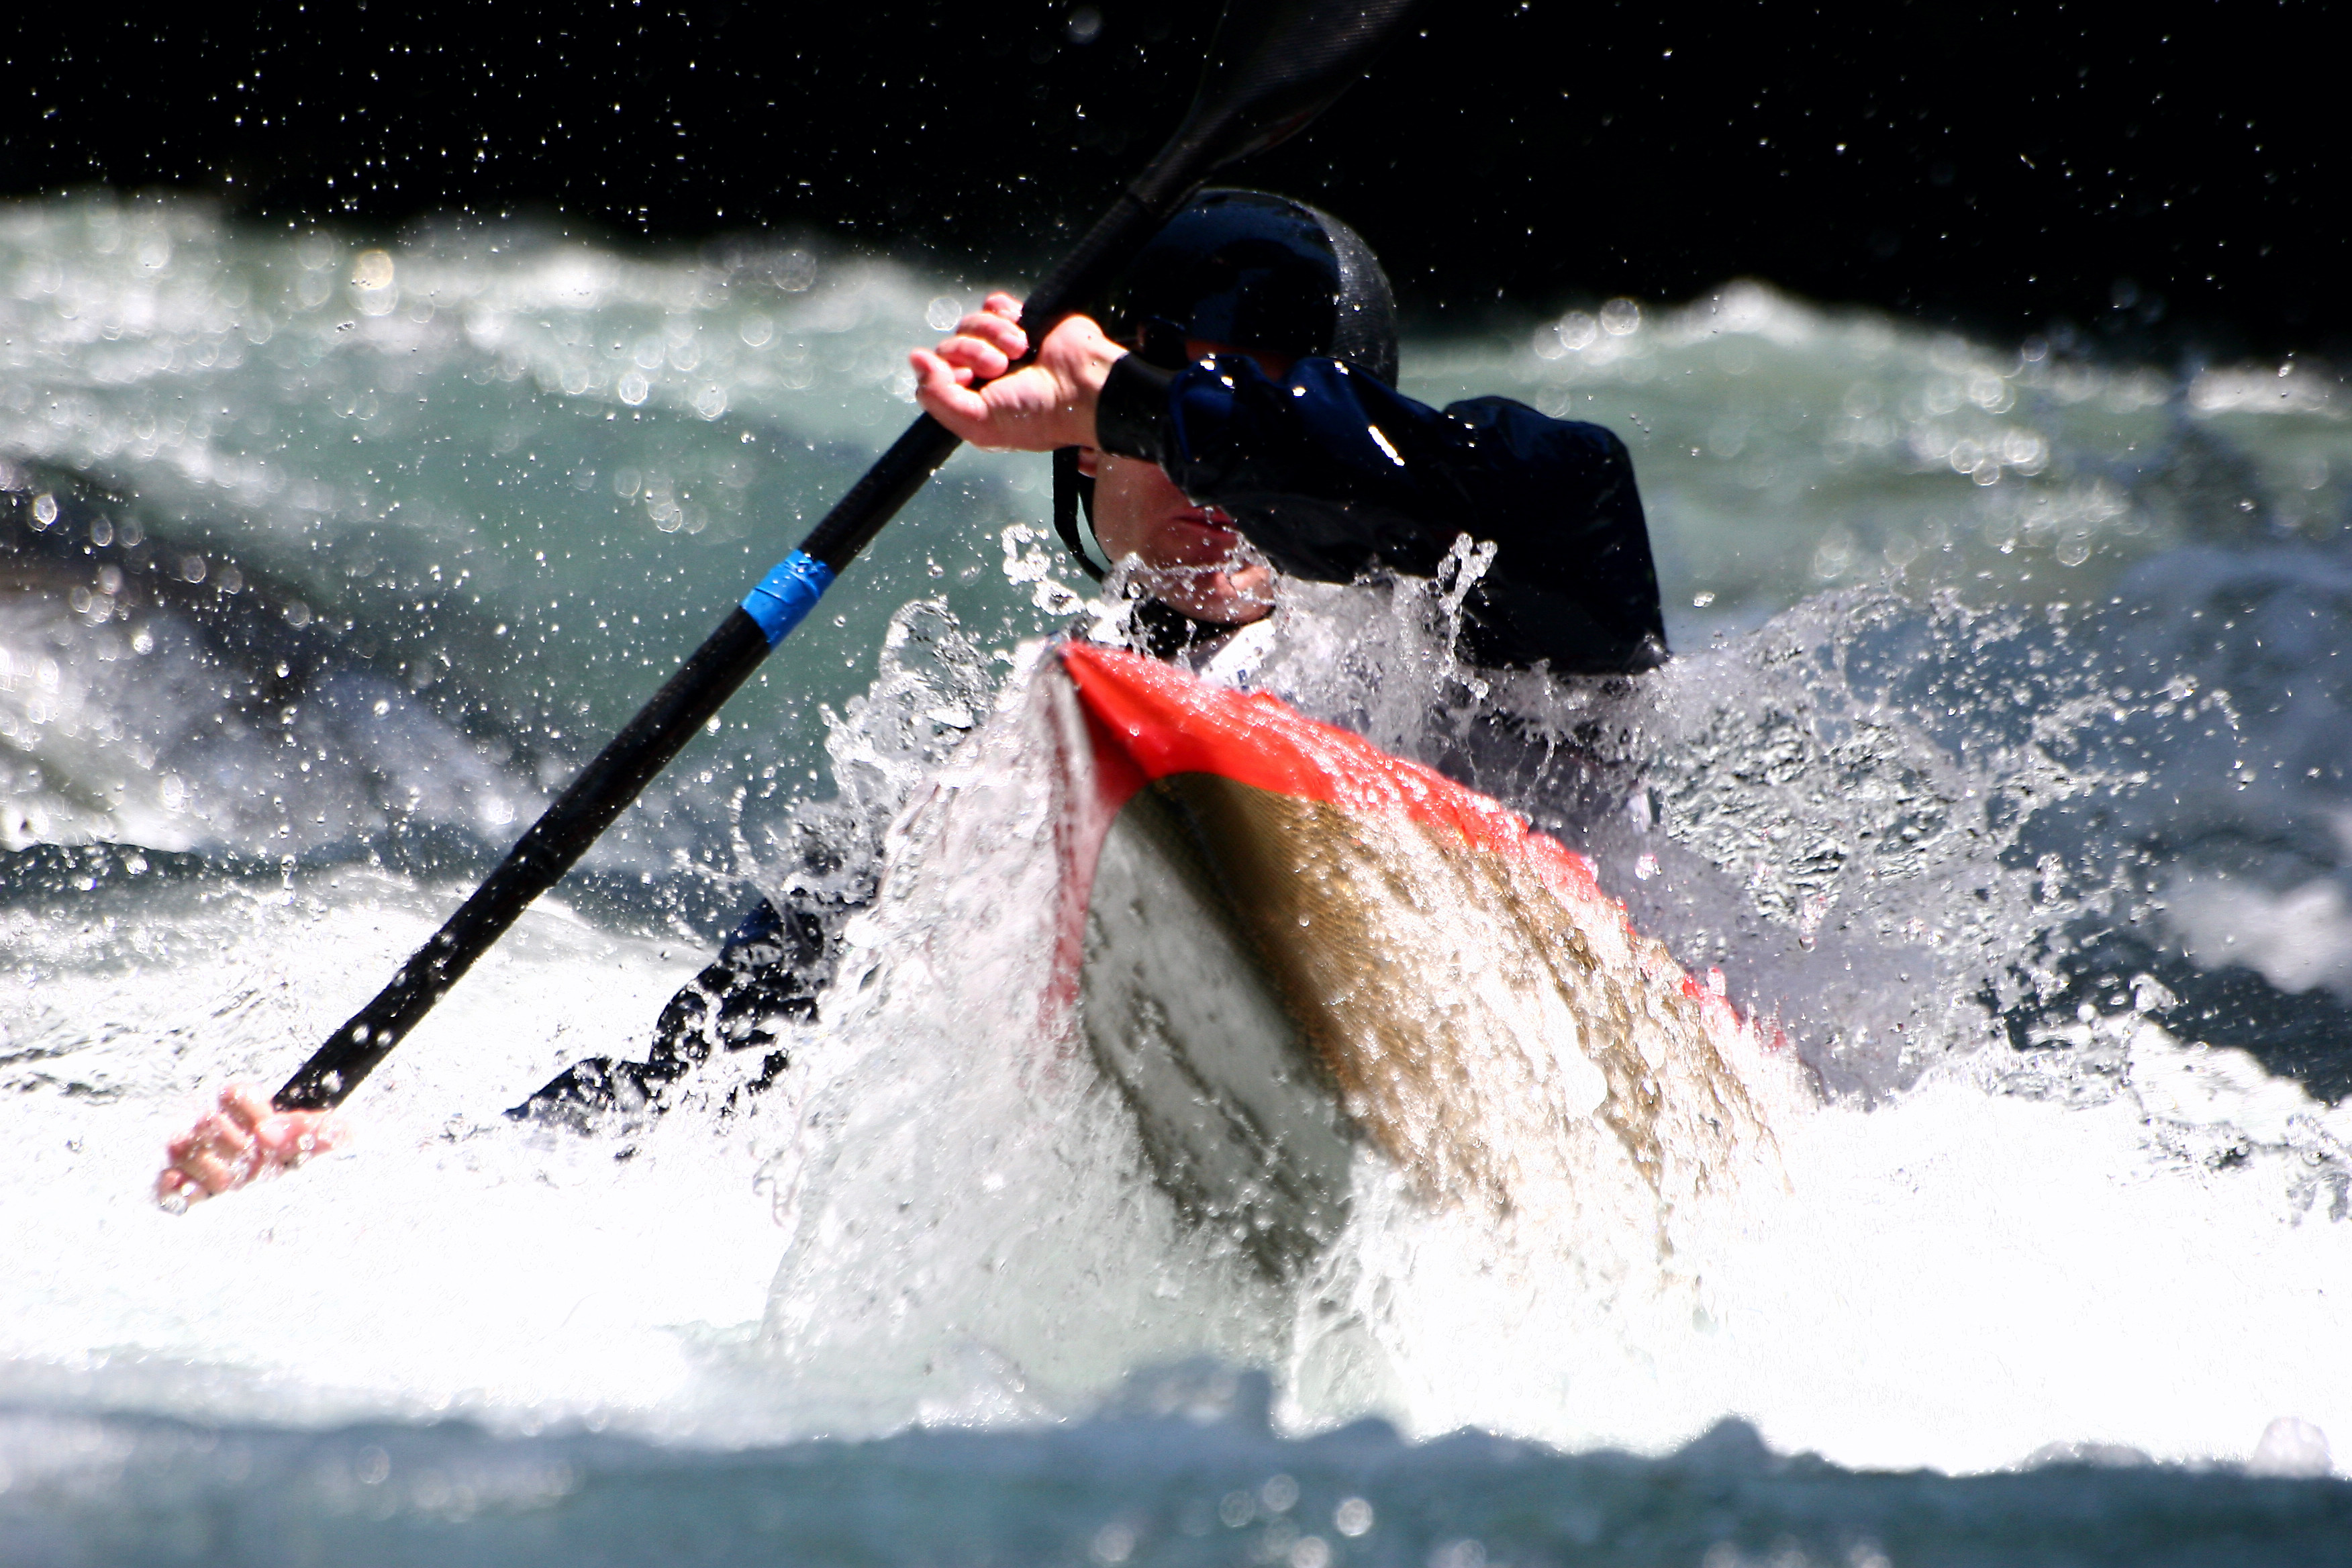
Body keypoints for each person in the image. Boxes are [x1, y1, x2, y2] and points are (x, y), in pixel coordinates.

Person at [157, 190, 1670, 1194]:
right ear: (1071, 453)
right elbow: (716, 1069)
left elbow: (1540, 488)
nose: (1197, 458)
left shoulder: (1517, 580)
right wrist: (375, 1165)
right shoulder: (1044, 764)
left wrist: (1147, 394)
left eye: (1254, 380)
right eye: (1153, 400)